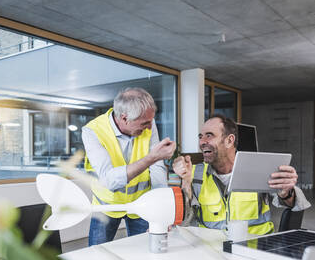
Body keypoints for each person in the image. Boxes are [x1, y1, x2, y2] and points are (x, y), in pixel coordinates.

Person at [173, 114, 310, 235]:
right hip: (213, 250)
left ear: (229, 140)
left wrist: (287, 192)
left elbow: (295, 205)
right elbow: (184, 222)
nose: (202, 142)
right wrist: (186, 182)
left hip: (256, 248)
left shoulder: (258, 168)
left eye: (209, 136)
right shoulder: (194, 172)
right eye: (200, 137)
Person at [82, 87, 176, 245]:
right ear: (124, 118)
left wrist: (161, 208)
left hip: (142, 203)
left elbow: (157, 167)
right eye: (144, 123)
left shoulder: (149, 122)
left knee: (146, 252)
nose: (149, 127)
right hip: (107, 206)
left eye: (150, 121)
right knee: (97, 256)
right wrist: (152, 157)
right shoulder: (93, 132)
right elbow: (109, 180)